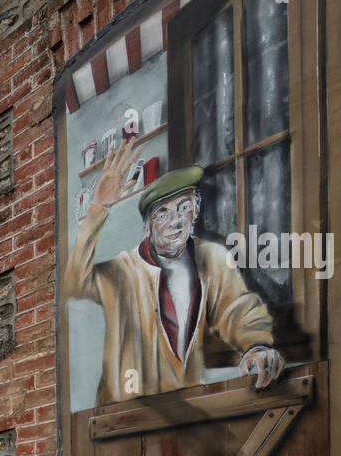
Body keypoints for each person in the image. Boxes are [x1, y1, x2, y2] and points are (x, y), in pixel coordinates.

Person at [63, 140, 286, 407]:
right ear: (147, 228)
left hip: (188, 407)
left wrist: (257, 347)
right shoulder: (122, 270)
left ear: (196, 212)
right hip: (125, 414)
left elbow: (238, 309)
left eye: (184, 207)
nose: (176, 221)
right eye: (162, 213)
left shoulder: (212, 258)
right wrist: (98, 209)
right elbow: (74, 283)